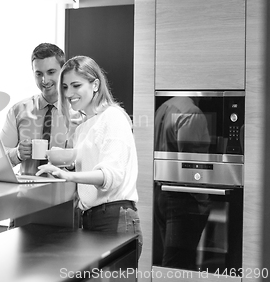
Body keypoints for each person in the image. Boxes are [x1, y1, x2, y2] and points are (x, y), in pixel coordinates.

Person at [36, 55, 143, 258]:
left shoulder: (113, 117)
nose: (69, 93)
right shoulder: (83, 127)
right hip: (92, 218)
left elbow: (110, 177)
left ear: (95, 84)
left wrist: (68, 176)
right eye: (65, 87)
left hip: (115, 219)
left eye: (76, 85)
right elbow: (90, 162)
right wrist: (66, 163)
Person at [0, 43, 79, 176]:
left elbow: (91, 161)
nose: (45, 80)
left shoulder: (79, 112)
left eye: (51, 72)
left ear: (63, 71)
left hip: (66, 193)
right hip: (26, 192)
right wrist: (17, 154)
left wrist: (70, 161)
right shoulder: (18, 111)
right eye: (39, 74)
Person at [153, 96, 211, 270]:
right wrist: (203, 201)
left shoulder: (163, 107)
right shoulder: (192, 112)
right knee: (177, 266)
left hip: (160, 194)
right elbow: (192, 167)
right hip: (183, 199)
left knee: (175, 265)